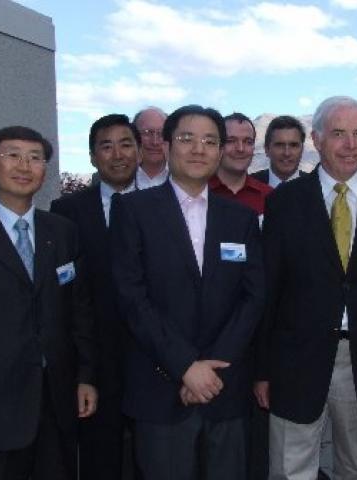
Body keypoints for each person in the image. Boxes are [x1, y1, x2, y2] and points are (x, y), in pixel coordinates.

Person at [256, 96, 357, 480]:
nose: (351, 145)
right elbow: (270, 292)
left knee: (356, 468)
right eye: (339, 134)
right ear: (316, 139)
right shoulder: (284, 202)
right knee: (290, 469)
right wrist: (262, 369)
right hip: (295, 362)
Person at [110, 105, 265, 480]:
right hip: (161, 390)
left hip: (224, 389)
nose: (199, 149)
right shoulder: (132, 210)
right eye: (187, 139)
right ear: (165, 145)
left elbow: (254, 296)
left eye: (210, 141)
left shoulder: (240, 218)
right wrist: (184, 367)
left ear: (220, 150)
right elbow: (132, 297)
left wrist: (212, 369)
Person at [0, 126, 97, 479]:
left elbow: (78, 311)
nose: (24, 165)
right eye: (13, 155)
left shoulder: (61, 231)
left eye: (35, 158)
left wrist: (86, 376)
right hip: (0, 404)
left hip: (57, 398)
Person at [50, 114, 139, 480]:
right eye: (107, 145)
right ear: (91, 156)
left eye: (126, 144)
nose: (117, 154)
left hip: (152, 360)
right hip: (94, 361)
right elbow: (69, 295)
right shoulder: (66, 213)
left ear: (139, 151)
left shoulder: (163, 205)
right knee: (100, 459)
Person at [209, 112, 273, 215]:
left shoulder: (270, 197)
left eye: (248, 142)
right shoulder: (198, 193)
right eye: (231, 141)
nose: (240, 149)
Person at [252, 115, 306, 187]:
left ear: (302, 149)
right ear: (266, 149)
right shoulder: (248, 187)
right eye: (279, 145)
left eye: (293, 145)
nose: (287, 153)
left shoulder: (318, 188)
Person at [133, 107, 167, 189]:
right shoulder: (112, 178)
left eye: (161, 133)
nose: (155, 142)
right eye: (147, 133)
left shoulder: (187, 177)